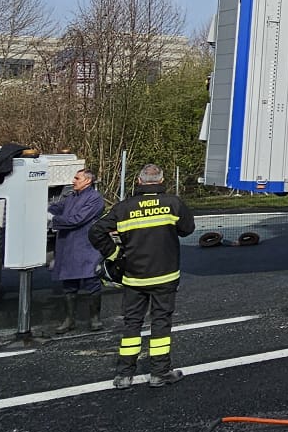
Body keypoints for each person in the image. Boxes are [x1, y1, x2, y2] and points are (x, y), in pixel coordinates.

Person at [89, 164, 194, 388]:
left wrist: (115, 254)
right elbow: (188, 229)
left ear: (138, 181)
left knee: (132, 324)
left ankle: (124, 375)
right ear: (162, 180)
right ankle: (160, 372)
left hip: (134, 277)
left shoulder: (123, 207)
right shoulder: (172, 203)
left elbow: (96, 231)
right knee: (161, 324)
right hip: (165, 275)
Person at [47, 167, 105, 334]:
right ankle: (69, 320)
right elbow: (57, 207)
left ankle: (95, 319)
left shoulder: (95, 199)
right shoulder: (71, 197)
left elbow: (77, 220)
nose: (73, 181)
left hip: (86, 246)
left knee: (91, 282)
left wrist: (54, 219)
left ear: (87, 181)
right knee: (69, 285)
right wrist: (48, 211)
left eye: (77, 178)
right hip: (68, 246)